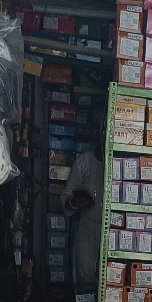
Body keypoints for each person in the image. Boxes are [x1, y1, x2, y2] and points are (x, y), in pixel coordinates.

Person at [62, 112, 105, 287]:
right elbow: (67, 195)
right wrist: (74, 203)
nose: (99, 132)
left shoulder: (122, 163)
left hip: (113, 234)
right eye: (96, 128)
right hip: (88, 230)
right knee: (85, 280)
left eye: (102, 127)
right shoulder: (84, 161)